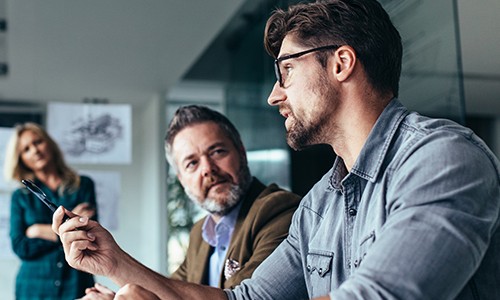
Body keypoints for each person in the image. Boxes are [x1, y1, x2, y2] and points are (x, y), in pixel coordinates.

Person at [53, 0, 500, 299]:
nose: (274, 95)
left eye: (285, 71)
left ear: (341, 63)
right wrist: (114, 262)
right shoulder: (320, 204)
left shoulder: (443, 158)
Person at [75, 105, 301, 299]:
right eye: (192, 164)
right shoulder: (200, 233)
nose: (208, 169)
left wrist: (115, 263)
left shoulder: (279, 210)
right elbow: (168, 292)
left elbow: (242, 298)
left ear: (241, 151)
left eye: (217, 152)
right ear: (181, 179)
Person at [4, 122, 98, 300]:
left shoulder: (83, 185)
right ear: (21, 159)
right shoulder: (20, 196)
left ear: (49, 143)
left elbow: (88, 234)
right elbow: (20, 246)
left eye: (38, 142)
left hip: (76, 283)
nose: (35, 151)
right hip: (33, 287)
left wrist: (37, 230)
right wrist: (66, 230)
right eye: (26, 149)